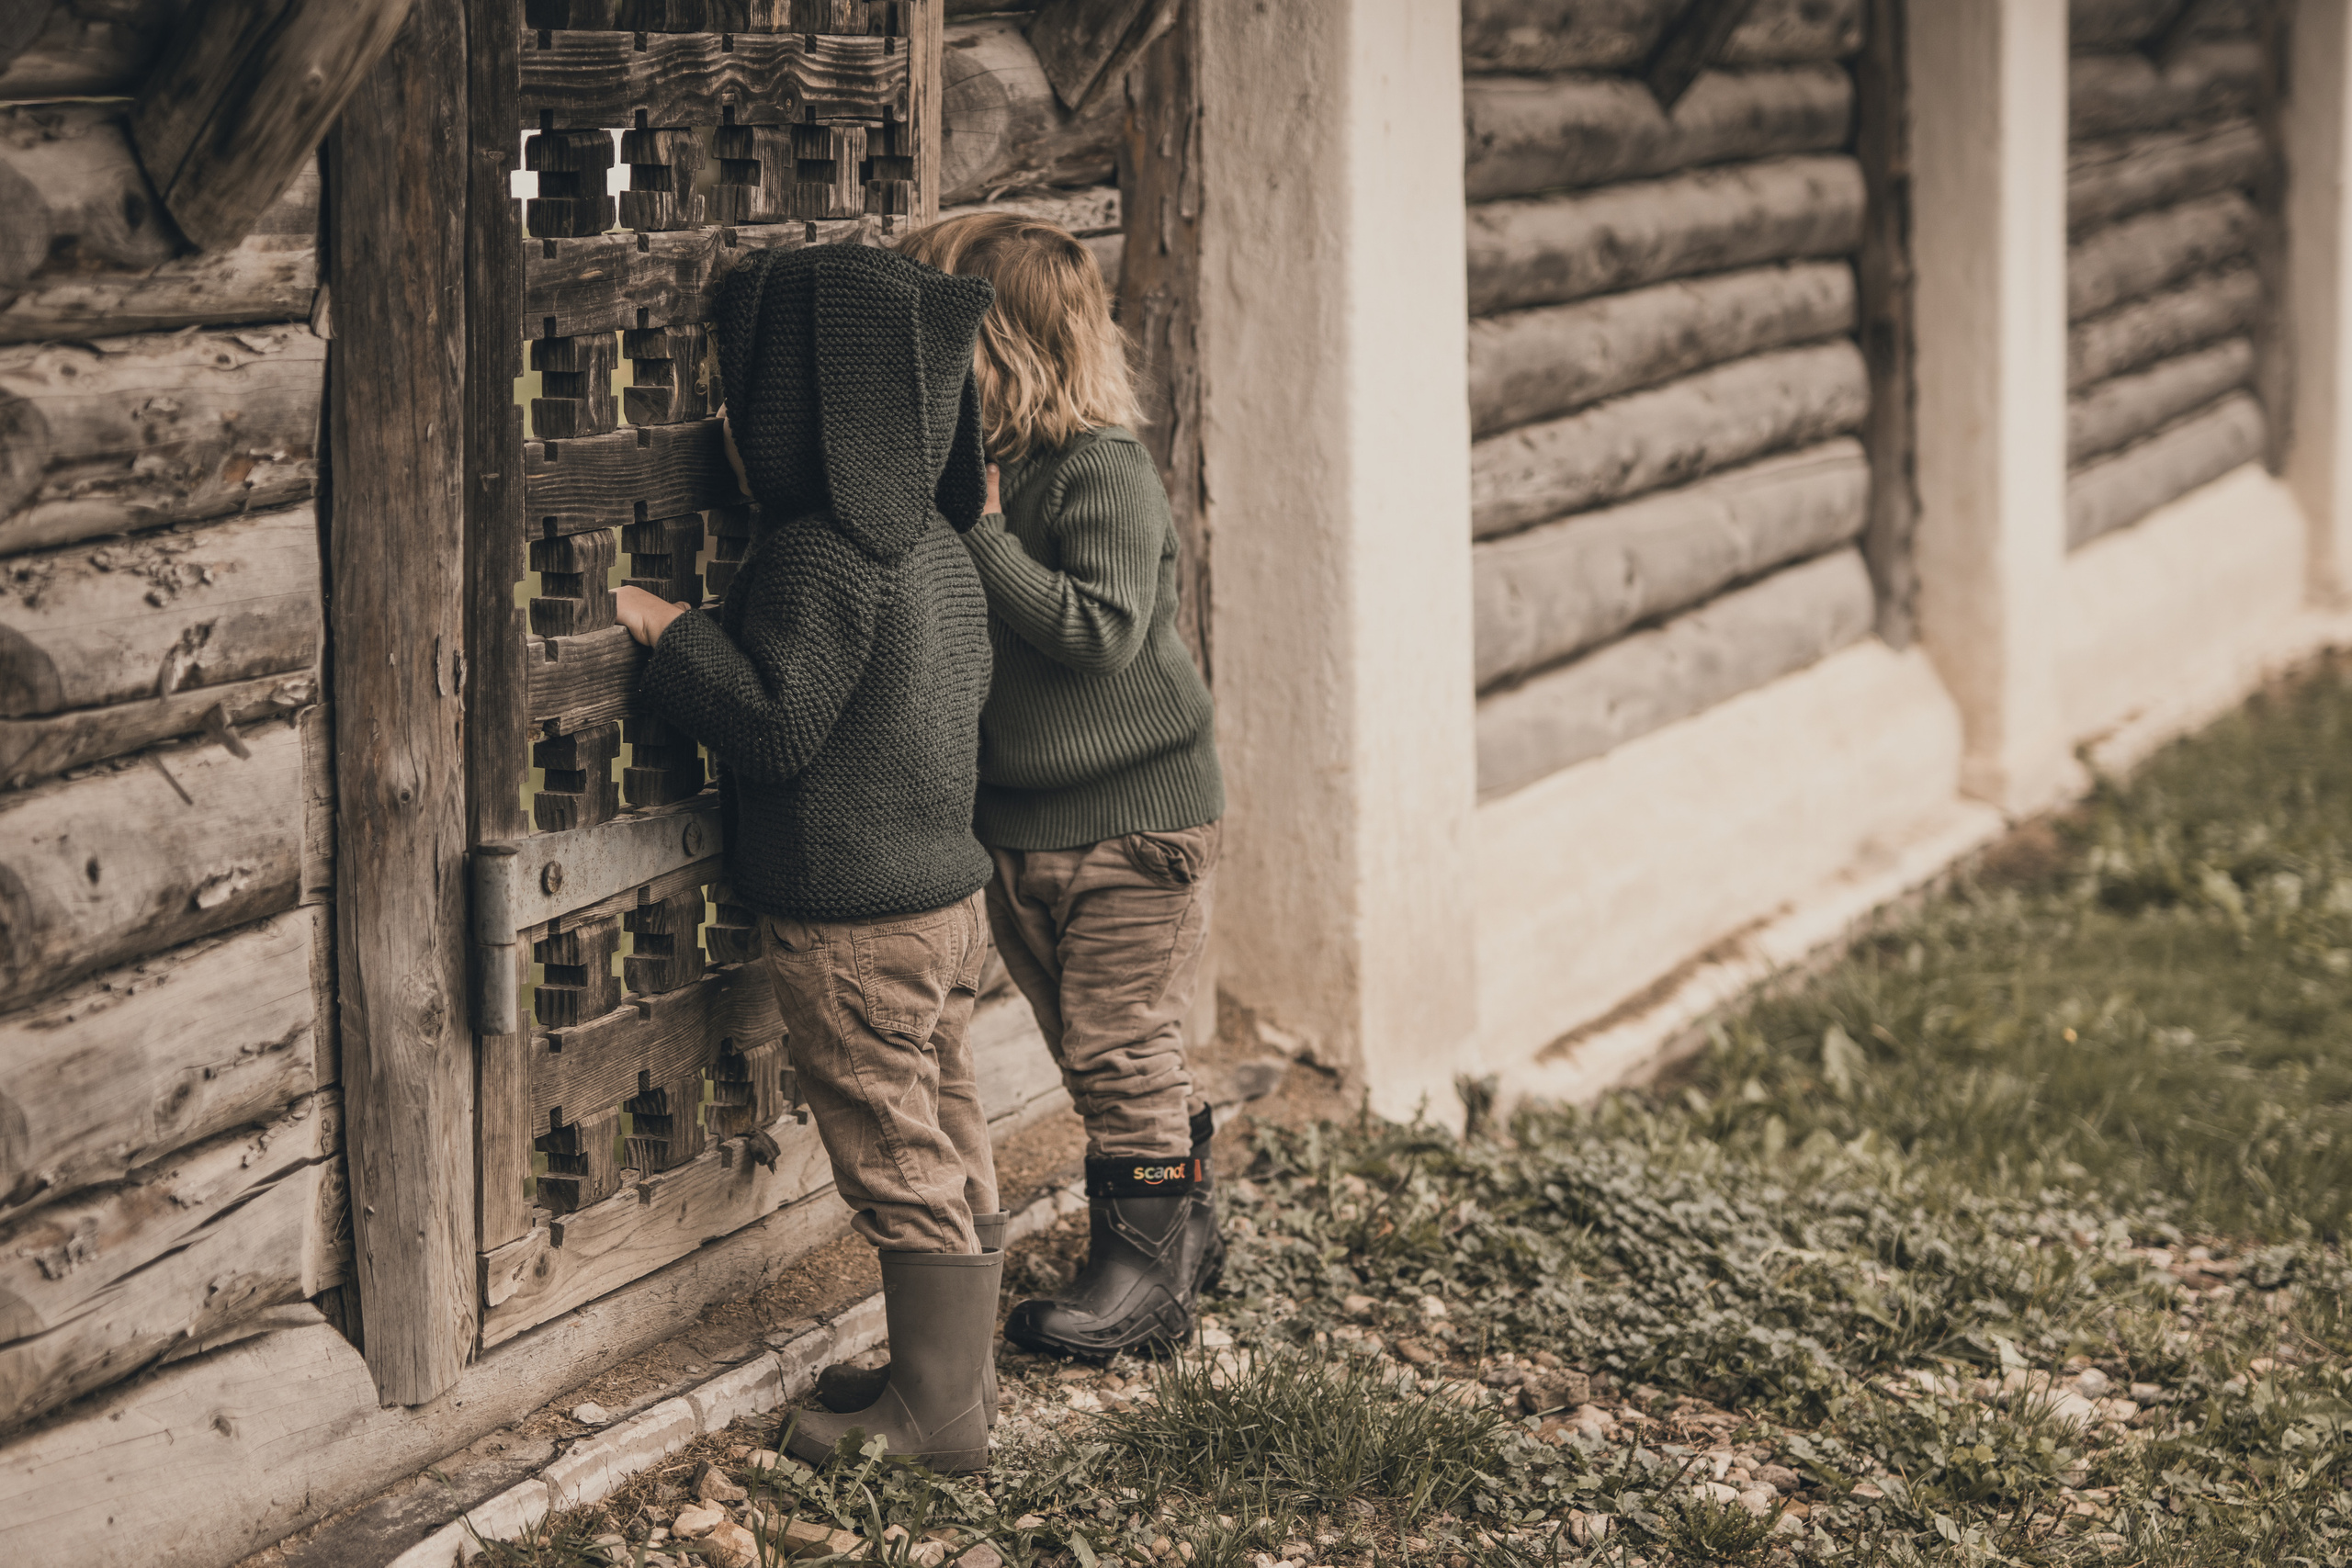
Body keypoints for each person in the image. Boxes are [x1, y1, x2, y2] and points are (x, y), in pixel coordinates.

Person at [614, 241, 1000, 1472]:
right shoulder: (938, 547)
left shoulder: (820, 554)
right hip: (945, 902)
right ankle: (953, 1382)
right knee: (946, 1122)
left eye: (746, 392)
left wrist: (673, 634)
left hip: (855, 928)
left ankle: (938, 1425)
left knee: (893, 1152)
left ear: (794, 409)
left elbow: (777, 723)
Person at [823, 210, 1227, 1388]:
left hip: (1132, 825)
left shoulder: (1099, 469)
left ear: (999, 354)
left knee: (1116, 1045)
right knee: (1095, 1042)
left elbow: (1099, 635)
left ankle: (1145, 1274)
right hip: (1025, 831)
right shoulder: (984, 474)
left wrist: (986, 537)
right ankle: (1183, 1221)